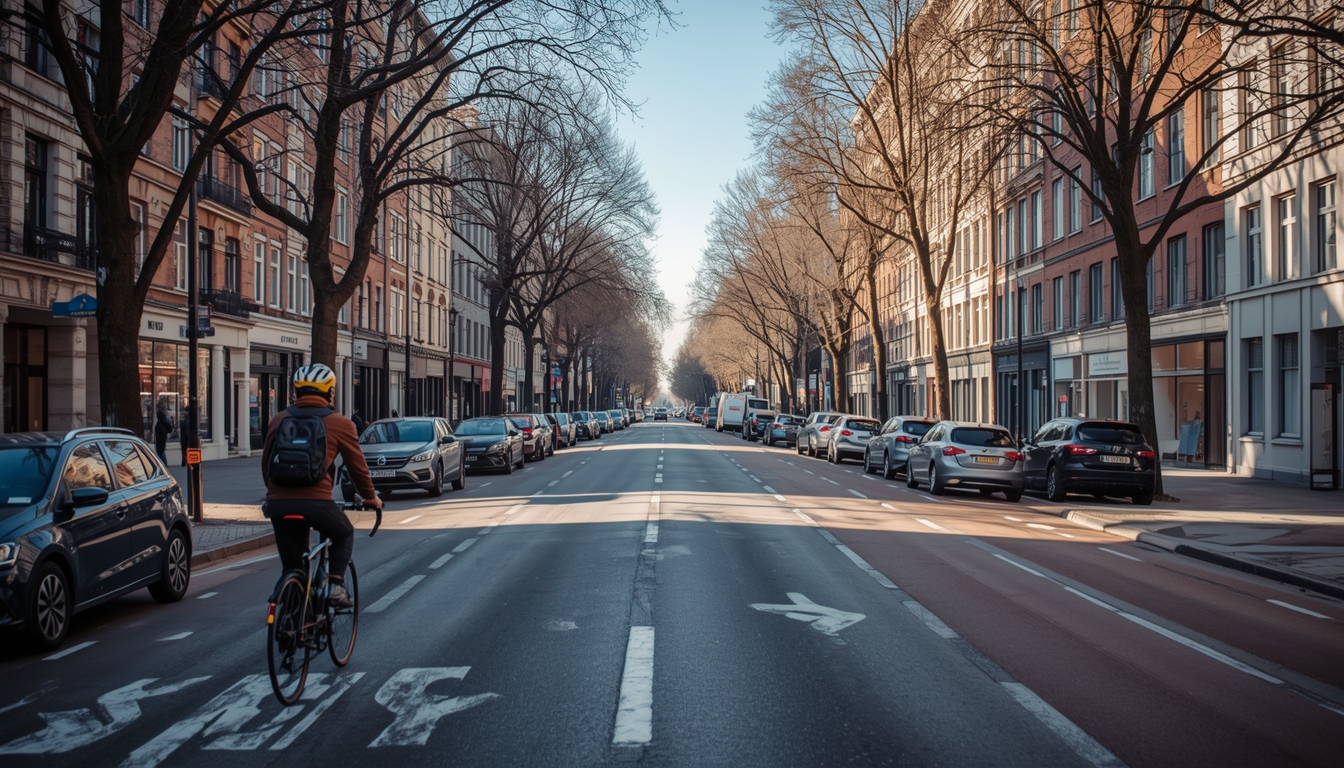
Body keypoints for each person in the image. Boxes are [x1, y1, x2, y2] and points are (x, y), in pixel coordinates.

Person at [262, 363, 382, 608]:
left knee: (292, 567)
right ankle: (336, 586)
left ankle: (289, 620)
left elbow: (266, 465)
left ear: (296, 392)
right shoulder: (341, 424)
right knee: (344, 532)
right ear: (330, 393)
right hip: (317, 502)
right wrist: (370, 498)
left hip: (278, 503)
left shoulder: (278, 419)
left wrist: (276, 494)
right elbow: (358, 468)